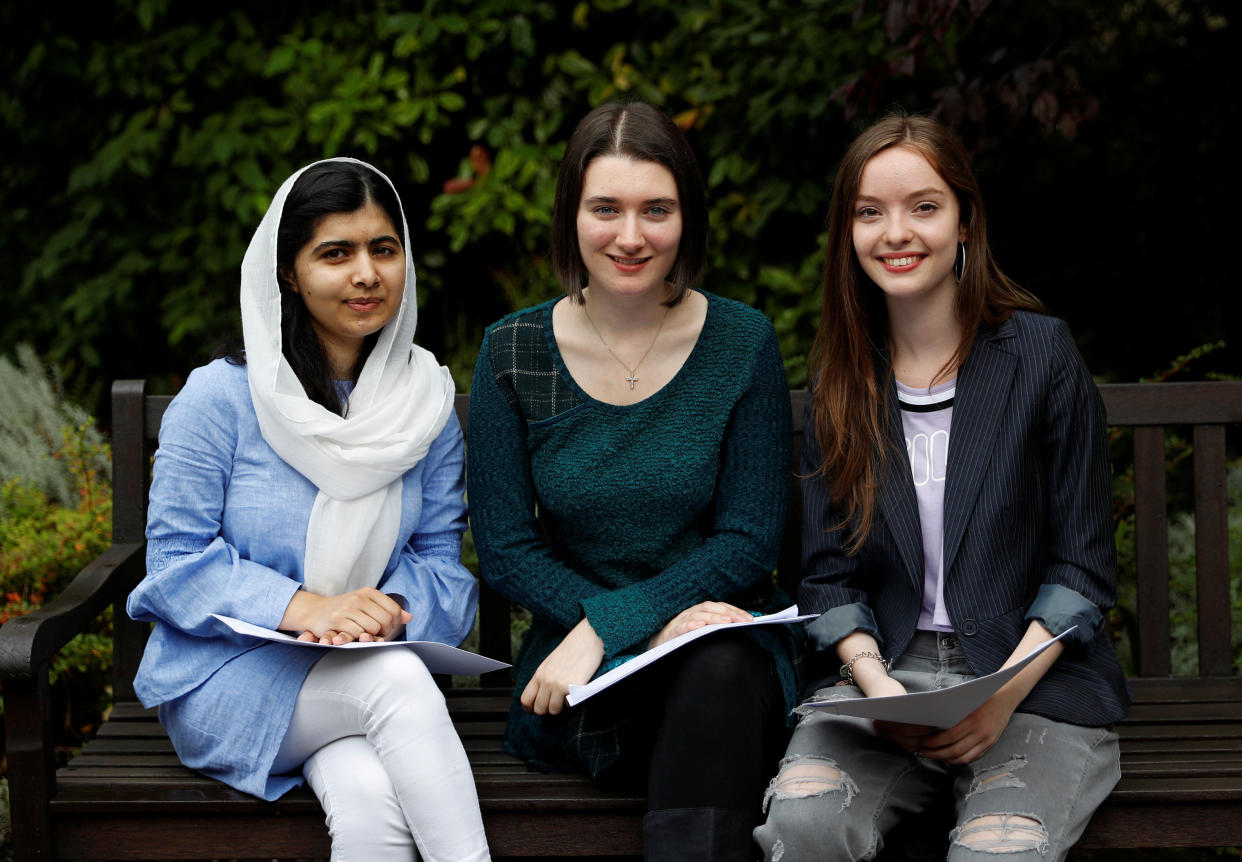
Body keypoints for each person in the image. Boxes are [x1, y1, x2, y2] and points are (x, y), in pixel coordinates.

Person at [754, 115, 1131, 861]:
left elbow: (1083, 564)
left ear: (965, 221)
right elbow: (827, 576)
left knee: (1001, 851)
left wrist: (1002, 695)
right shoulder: (840, 380)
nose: (897, 232)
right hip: (881, 679)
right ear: (848, 232)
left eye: (924, 206)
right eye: (870, 212)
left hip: (1029, 679)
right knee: (805, 824)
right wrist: (876, 686)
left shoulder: (1040, 356)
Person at [127, 158, 491, 862]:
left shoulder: (423, 407)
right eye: (336, 253)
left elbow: (443, 572)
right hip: (226, 675)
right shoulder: (221, 400)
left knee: (367, 804)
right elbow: (173, 566)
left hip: (361, 672)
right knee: (396, 681)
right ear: (288, 272)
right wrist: (308, 607)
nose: (367, 274)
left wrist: (383, 609)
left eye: (384, 250)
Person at [466, 102, 798, 861]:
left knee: (714, 671)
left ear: (687, 219)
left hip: (718, 640)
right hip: (582, 666)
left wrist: (616, 621)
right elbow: (508, 550)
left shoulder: (741, 341)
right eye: (605, 209)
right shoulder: (513, 351)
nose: (630, 236)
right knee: (689, 722)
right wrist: (611, 632)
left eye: (657, 210)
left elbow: (747, 542)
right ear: (570, 216)